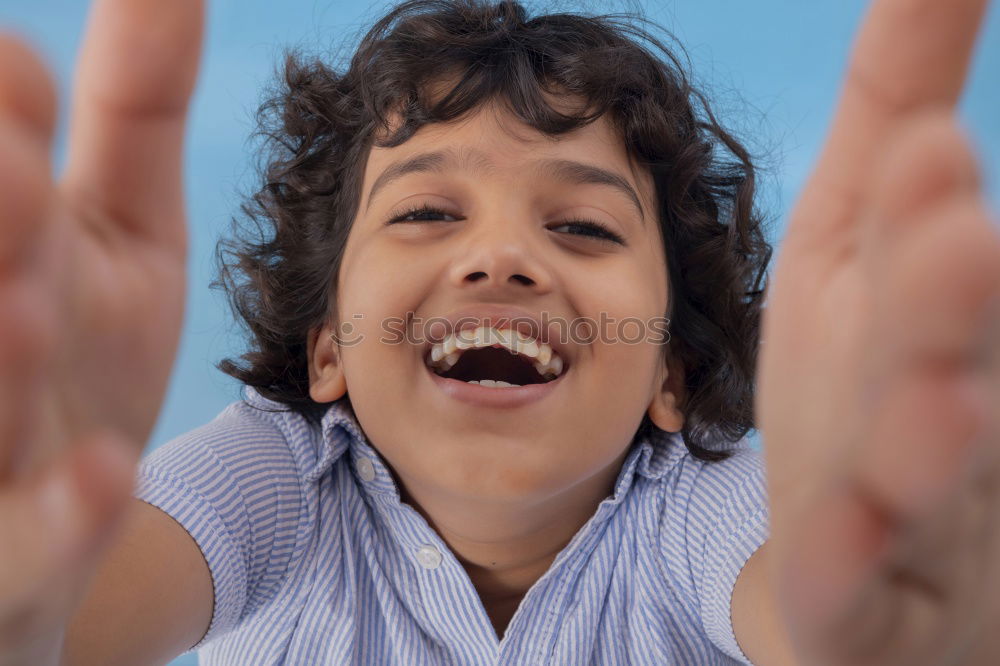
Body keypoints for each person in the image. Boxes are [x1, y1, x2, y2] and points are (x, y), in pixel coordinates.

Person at [0, 0, 997, 664]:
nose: (502, 257)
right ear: (327, 350)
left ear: (671, 377)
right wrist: (32, 607)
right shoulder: (270, 478)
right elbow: (83, 600)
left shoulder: (699, 508)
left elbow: (796, 590)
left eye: (583, 226)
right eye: (426, 213)